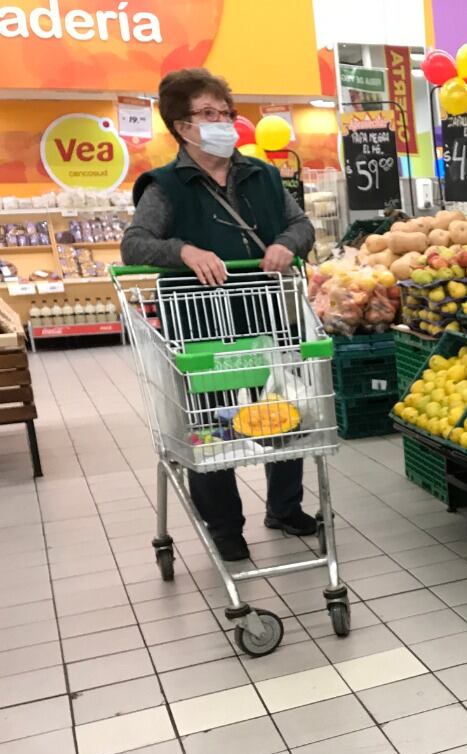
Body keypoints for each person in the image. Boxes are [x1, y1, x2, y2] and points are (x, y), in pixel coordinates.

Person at [122, 68, 317, 562]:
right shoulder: (165, 186)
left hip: (266, 315)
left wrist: (284, 244)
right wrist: (184, 250)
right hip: (201, 326)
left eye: (225, 113)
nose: (222, 122)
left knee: (284, 411)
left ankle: (285, 507)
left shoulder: (263, 176)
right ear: (181, 126)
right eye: (208, 114)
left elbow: (301, 225)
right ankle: (226, 527)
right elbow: (134, 244)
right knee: (209, 427)